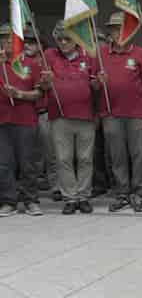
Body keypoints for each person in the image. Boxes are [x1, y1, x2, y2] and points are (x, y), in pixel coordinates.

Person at [95, 12, 142, 212]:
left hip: (136, 113)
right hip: (110, 113)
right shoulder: (101, 53)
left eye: (121, 28)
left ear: (129, 31)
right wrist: (98, 82)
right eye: (113, 29)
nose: (117, 33)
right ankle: (121, 192)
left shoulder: (140, 54)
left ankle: (139, 193)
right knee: (117, 155)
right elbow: (93, 85)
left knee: (138, 154)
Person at [41, 22, 97, 215]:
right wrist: (45, 81)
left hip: (85, 116)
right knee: (63, 159)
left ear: (76, 40)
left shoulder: (88, 56)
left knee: (85, 158)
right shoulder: (49, 55)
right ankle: (70, 198)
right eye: (60, 39)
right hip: (60, 117)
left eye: (68, 39)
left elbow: (95, 86)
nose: (63, 43)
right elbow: (42, 86)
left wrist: (99, 82)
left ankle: (83, 196)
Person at [0, 22, 44, 217]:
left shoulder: (30, 64)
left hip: (26, 120)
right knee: (4, 163)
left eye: (11, 39)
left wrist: (18, 94)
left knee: (28, 163)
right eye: (4, 39)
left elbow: (38, 93)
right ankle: (9, 201)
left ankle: (30, 200)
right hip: (2, 120)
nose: (7, 42)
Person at [23, 29, 59, 200]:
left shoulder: (47, 60)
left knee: (51, 152)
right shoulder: (18, 62)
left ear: (40, 44)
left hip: (45, 112)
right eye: (25, 42)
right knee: (31, 154)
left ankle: (56, 186)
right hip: (26, 113)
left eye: (32, 42)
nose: (28, 45)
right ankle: (33, 187)